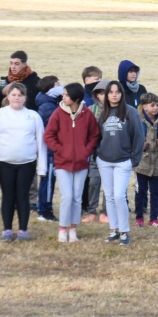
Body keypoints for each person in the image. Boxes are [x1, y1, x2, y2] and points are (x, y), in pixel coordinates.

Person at [0, 82, 47, 241]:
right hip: (4, 163)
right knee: (8, 195)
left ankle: (23, 230)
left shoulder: (33, 116)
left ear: (25, 98)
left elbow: (41, 143)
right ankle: (7, 229)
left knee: (22, 196)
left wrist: (42, 168)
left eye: (20, 95)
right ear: (8, 97)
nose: (17, 98)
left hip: (27, 163)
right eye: (14, 95)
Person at [43, 82, 100, 243]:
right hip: (62, 163)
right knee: (67, 196)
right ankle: (62, 228)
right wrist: (60, 150)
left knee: (76, 197)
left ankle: (73, 229)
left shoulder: (87, 114)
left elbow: (94, 136)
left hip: (81, 163)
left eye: (67, 95)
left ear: (75, 98)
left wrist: (85, 151)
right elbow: (48, 135)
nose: (63, 97)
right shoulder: (58, 113)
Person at [96, 81, 144, 246]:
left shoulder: (130, 112)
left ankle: (124, 232)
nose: (114, 95)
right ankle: (114, 230)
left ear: (122, 94)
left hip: (123, 161)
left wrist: (133, 160)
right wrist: (98, 155)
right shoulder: (103, 114)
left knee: (119, 196)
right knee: (109, 196)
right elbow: (97, 137)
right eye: (111, 92)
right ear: (107, 95)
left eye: (117, 92)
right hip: (104, 161)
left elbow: (138, 137)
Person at [133, 93, 158, 228]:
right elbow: (132, 139)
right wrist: (140, 145)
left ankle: (154, 218)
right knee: (141, 191)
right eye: (152, 105)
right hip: (142, 162)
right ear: (144, 106)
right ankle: (139, 217)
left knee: (156, 191)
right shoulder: (138, 121)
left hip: (157, 161)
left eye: (157, 105)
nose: (155, 108)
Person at [35, 75, 63, 222]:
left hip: (50, 150)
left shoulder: (51, 103)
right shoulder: (48, 106)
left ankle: (44, 207)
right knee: (48, 180)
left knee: (48, 180)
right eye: (57, 84)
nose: (61, 86)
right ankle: (45, 210)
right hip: (50, 151)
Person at [82, 79, 109, 224]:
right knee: (94, 181)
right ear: (96, 95)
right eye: (101, 93)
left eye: (107, 92)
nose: (104, 96)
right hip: (94, 152)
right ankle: (91, 211)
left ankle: (105, 212)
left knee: (108, 184)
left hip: (112, 153)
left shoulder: (118, 110)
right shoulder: (91, 109)